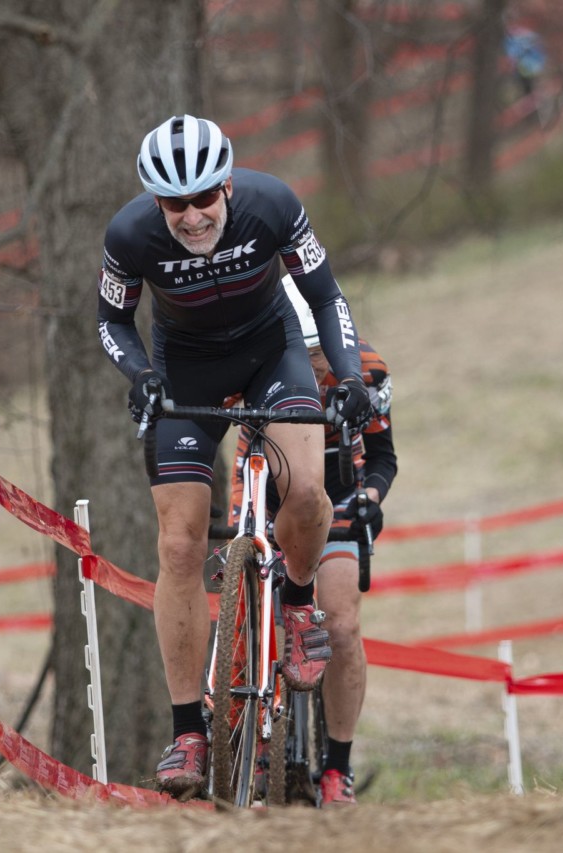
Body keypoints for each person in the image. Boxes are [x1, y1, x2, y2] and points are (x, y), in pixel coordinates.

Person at [96, 114, 373, 801]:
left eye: (203, 198)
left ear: (226, 183)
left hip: (269, 353)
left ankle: (299, 605)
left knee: (308, 490)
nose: (190, 216)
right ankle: (189, 727)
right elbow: (111, 320)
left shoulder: (273, 204)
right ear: (155, 202)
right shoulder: (130, 235)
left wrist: (352, 379)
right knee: (181, 545)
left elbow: (324, 294)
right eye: (174, 203)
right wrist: (140, 375)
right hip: (184, 368)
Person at [227, 277, 396, 805]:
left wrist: (370, 496)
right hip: (266, 495)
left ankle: (336, 769)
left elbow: (384, 456)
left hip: (341, 494)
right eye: (302, 352)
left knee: (341, 626)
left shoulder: (366, 369)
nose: (315, 366)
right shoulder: (253, 363)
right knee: (241, 615)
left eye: (322, 350)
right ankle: (246, 742)